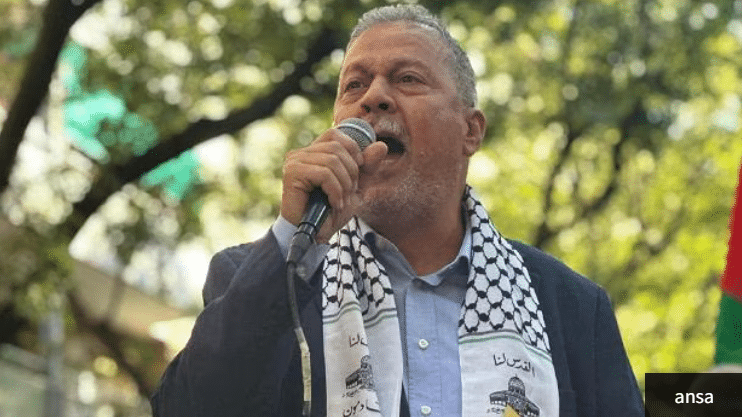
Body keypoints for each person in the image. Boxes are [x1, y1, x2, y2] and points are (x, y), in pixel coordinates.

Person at [151, 4, 644, 416]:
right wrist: (291, 240)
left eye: (407, 79)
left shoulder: (571, 308)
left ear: (470, 131)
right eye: (354, 85)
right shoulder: (262, 276)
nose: (374, 98)